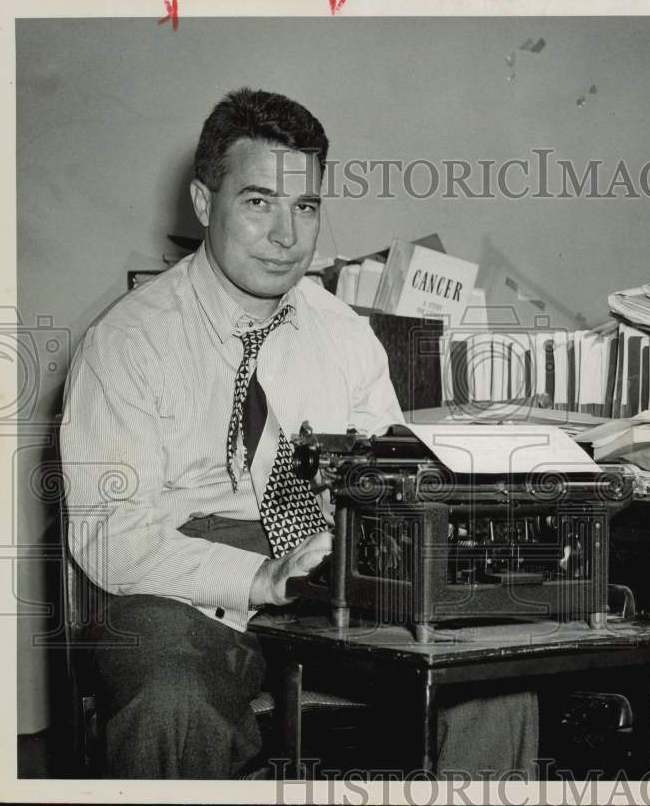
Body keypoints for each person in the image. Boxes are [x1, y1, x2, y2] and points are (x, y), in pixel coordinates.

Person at [60, 88, 536, 779]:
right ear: (203, 203)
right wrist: (259, 574)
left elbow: (391, 483)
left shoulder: (344, 334)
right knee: (174, 698)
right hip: (179, 592)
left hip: (328, 583)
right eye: (259, 203)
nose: (287, 236)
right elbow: (110, 534)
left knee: (493, 681)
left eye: (305, 207)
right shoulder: (128, 341)